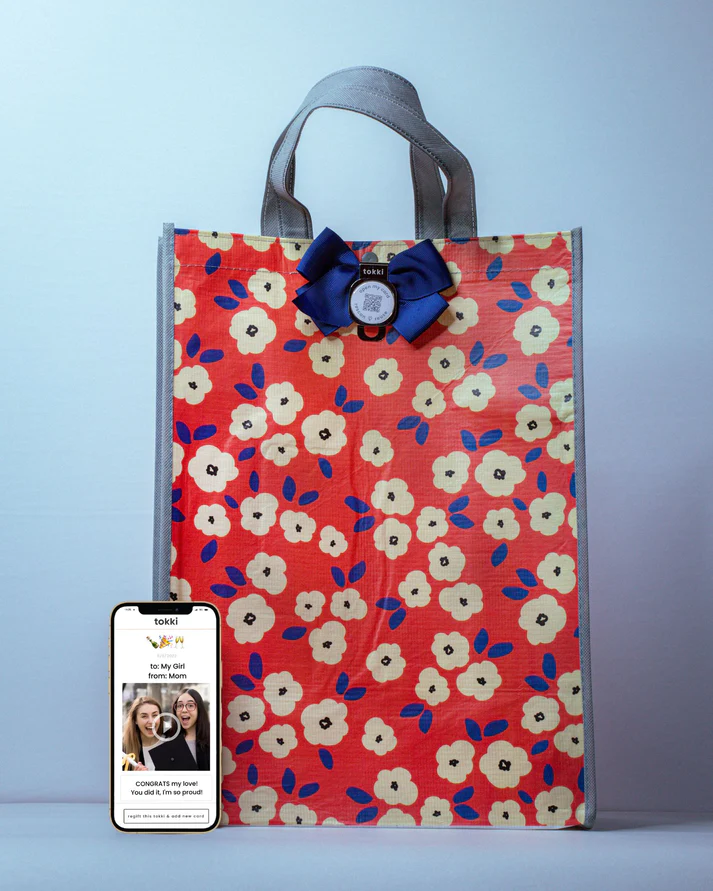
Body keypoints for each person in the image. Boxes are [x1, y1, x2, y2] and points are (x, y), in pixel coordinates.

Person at [150, 687, 210, 770]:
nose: (184, 710)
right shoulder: (166, 739)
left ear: (199, 709)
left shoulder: (212, 739)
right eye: (180, 705)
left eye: (190, 705)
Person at [121, 696, 163, 771]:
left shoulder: (171, 743)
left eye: (155, 715)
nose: (151, 721)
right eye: (144, 716)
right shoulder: (123, 749)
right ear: (135, 720)